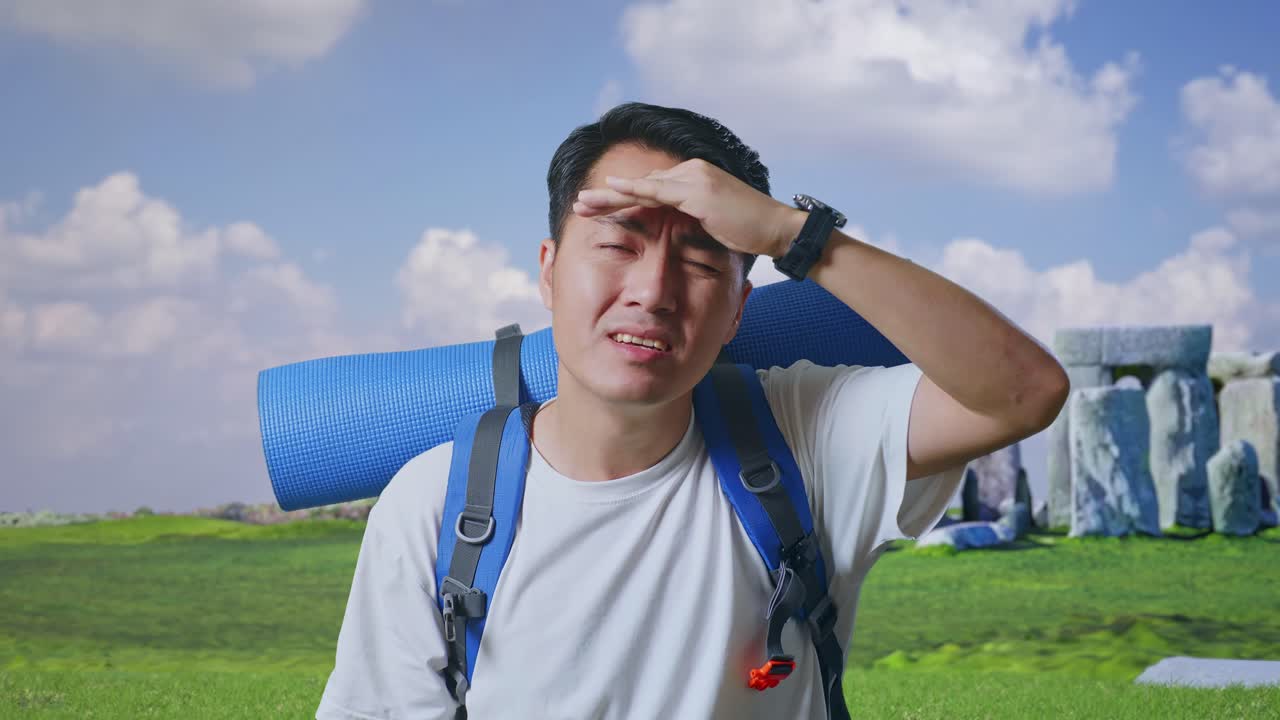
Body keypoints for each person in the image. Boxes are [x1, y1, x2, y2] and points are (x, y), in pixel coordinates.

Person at [316, 102, 1069, 719]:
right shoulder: (434, 504)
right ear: (548, 273)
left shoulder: (798, 439)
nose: (654, 290)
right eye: (619, 244)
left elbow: (1025, 392)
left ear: (741, 307)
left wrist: (790, 234)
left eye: (703, 260)